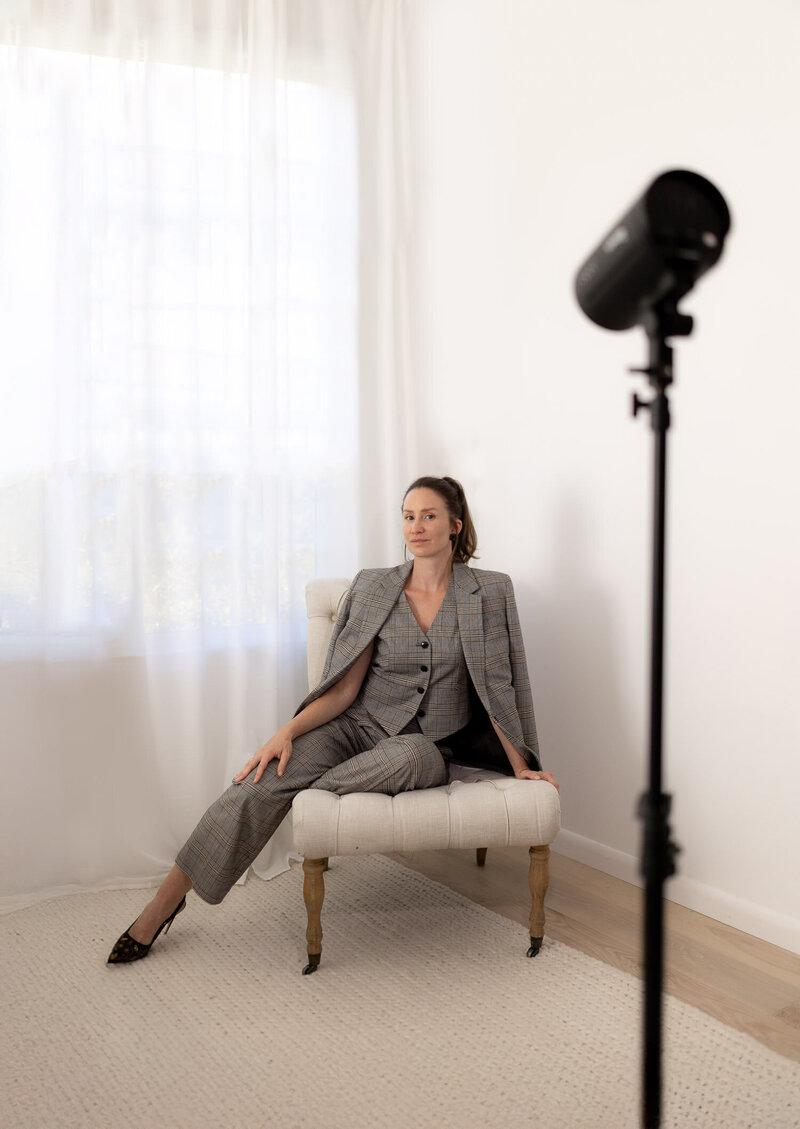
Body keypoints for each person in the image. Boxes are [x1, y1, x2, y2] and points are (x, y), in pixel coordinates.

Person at [107, 475, 558, 963]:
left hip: (425, 749)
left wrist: (521, 765)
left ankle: (301, 792)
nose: (416, 527)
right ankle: (161, 906)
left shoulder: (489, 591)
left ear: (455, 524)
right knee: (259, 782)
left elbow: (501, 684)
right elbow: (343, 687)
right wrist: (285, 734)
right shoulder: (374, 586)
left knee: (409, 753)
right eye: (408, 516)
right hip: (355, 728)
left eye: (428, 516)